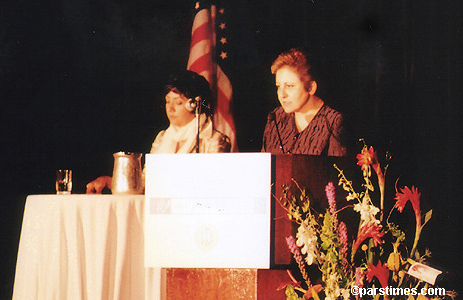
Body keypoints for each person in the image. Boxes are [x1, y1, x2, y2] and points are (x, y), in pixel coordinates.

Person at [86, 70, 231, 194]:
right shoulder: (162, 138)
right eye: (168, 101)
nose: (171, 108)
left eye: (179, 102)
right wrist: (113, 182)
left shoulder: (214, 140)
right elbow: (145, 184)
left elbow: (214, 187)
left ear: (195, 105)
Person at [262, 48, 346, 156]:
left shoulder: (333, 122)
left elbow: (338, 170)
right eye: (278, 86)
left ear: (311, 87)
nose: (282, 94)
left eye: (289, 86)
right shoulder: (275, 118)